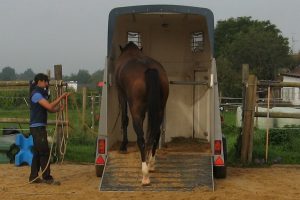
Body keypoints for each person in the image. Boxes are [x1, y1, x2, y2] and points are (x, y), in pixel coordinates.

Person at [29, 73, 69, 184]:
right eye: (45, 81)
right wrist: (61, 97)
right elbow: (49, 106)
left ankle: (33, 177)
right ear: (40, 82)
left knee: (38, 152)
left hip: (38, 127)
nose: (47, 84)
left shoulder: (39, 94)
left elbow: (50, 109)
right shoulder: (36, 95)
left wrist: (58, 109)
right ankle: (47, 178)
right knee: (44, 151)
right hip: (38, 128)